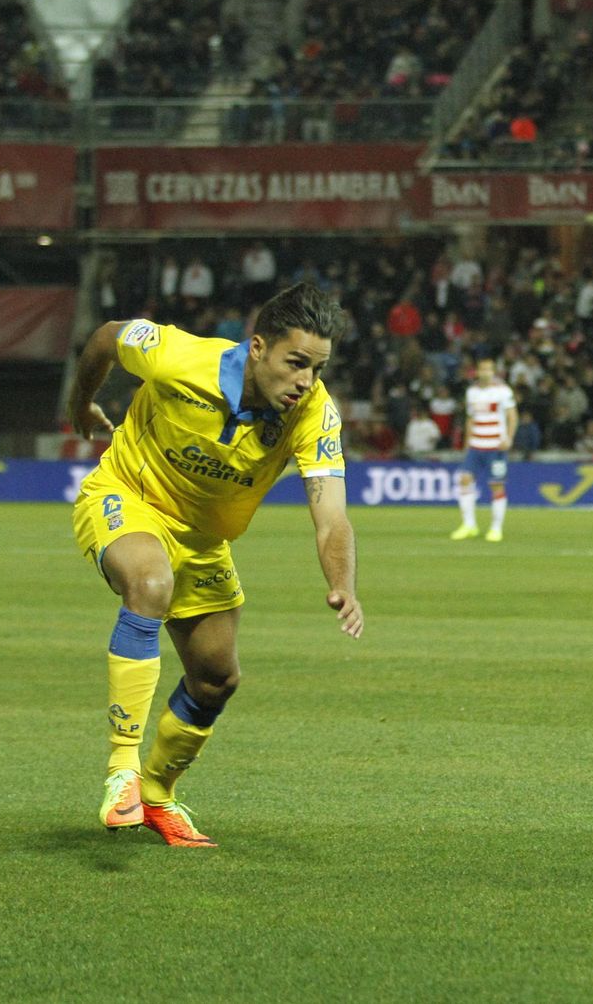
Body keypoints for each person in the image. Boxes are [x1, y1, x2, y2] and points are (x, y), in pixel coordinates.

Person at [68, 283, 362, 847]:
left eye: (317, 370)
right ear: (257, 348)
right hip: (129, 498)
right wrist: (81, 402)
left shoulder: (314, 414)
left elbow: (332, 515)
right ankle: (122, 770)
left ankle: (156, 794)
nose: (304, 382)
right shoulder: (177, 356)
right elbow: (107, 338)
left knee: (216, 678)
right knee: (150, 584)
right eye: (295, 363)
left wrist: (342, 584)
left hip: (203, 541)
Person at [452, 357, 518, 542]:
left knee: (496, 485)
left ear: (494, 371)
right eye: (482, 369)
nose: (486, 373)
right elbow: (470, 418)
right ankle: (469, 525)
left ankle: (496, 529)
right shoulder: (471, 392)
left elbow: (512, 416)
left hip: (496, 447)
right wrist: (467, 442)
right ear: (477, 371)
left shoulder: (503, 391)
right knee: (464, 480)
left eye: (489, 369)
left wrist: (509, 438)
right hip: (476, 446)